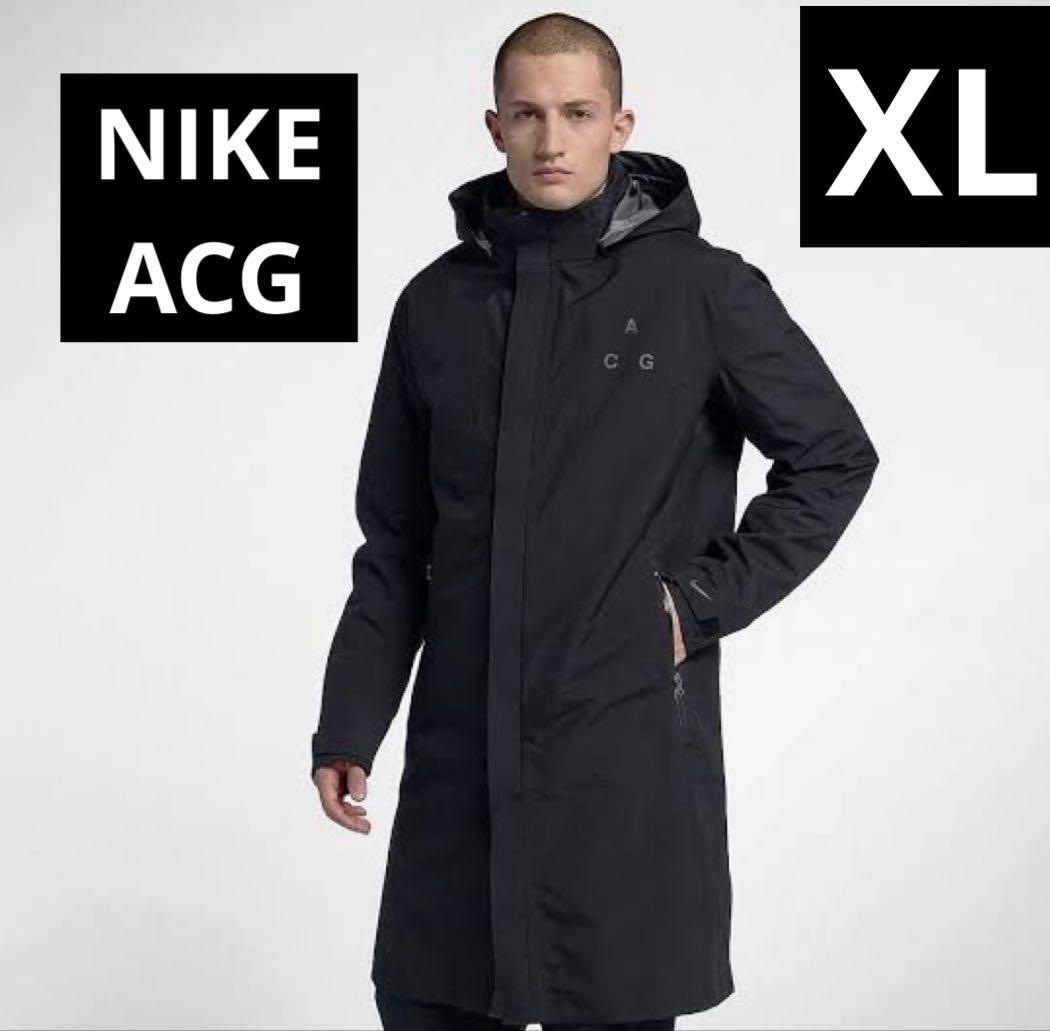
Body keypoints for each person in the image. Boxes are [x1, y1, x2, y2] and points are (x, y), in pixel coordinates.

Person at [311, 12, 879, 1031]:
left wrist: (696, 601)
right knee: (429, 994)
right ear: (494, 127)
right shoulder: (435, 306)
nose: (551, 140)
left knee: (611, 990)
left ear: (621, 125)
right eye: (527, 115)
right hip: (460, 762)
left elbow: (833, 455)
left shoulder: (702, 289)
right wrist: (352, 718)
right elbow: (394, 539)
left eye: (577, 113)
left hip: (623, 755)